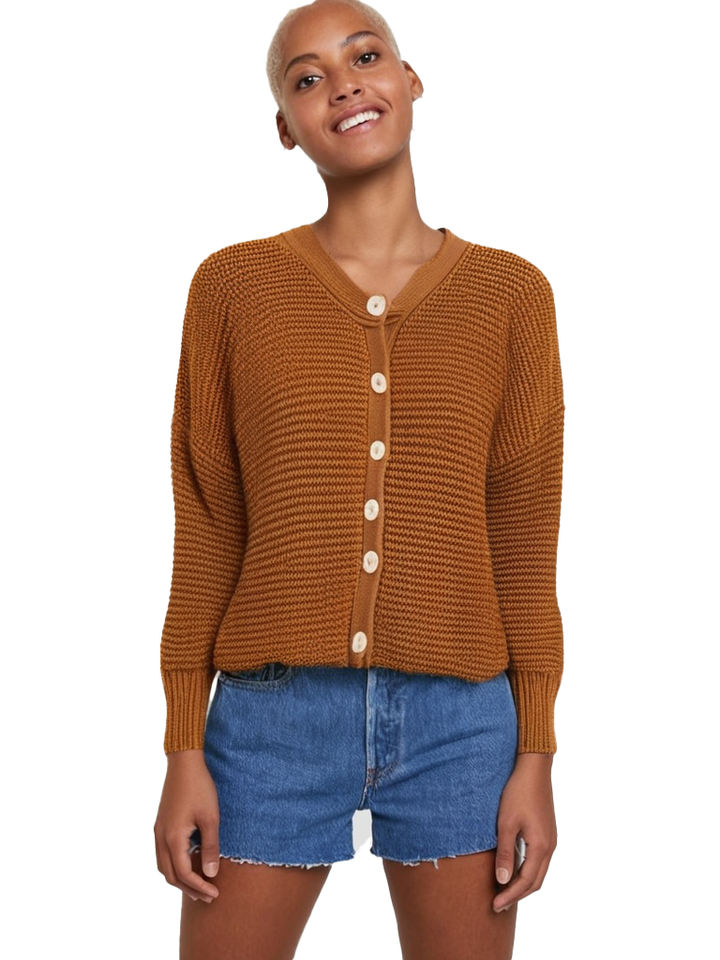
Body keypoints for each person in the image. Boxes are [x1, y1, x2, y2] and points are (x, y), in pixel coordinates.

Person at [154, 1, 566, 957]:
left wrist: (536, 752)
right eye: (307, 78)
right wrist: (182, 746)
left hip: (462, 722)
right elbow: (208, 522)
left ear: (409, 81)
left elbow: (523, 535)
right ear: (286, 128)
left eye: (364, 56)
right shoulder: (233, 288)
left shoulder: (512, 295)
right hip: (270, 718)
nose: (341, 84)